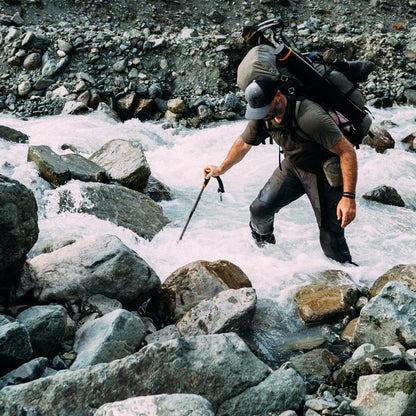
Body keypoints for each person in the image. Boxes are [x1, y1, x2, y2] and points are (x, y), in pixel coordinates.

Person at [204, 74, 358, 264]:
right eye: (258, 111)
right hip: (293, 166)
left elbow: (347, 152)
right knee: (259, 210)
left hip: (323, 172)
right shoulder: (262, 114)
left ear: (278, 96)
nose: (262, 115)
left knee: (330, 236)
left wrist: (348, 197)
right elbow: (243, 144)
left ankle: (351, 283)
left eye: (265, 109)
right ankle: (265, 253)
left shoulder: (309, 116)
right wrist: (221, 168)